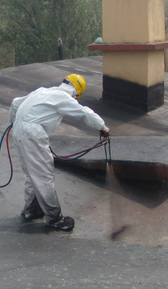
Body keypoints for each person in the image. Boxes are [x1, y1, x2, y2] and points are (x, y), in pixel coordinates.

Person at [9, 74, 109, 231]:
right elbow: (84, 113)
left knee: (32, 174)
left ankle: (32, 211)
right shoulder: (63, 97)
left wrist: (14, 122)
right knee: (43, 176)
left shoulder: (42, 91)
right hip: (32, 132)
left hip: (19, 129)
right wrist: (102, 127)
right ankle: (54, 218)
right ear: (76, 93)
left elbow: (15, 103)